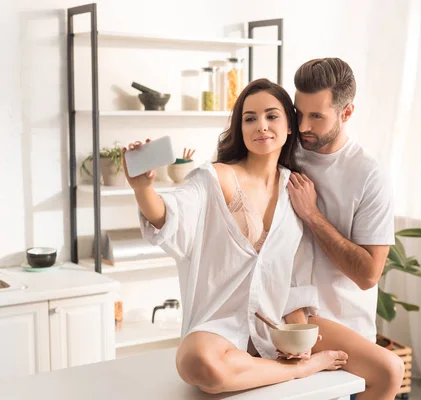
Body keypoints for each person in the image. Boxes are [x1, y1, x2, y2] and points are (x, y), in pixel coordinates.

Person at [123, 78, 348, 395]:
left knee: (213, 375)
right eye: (250, 118)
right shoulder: (213, 177)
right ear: (240, 128)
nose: (261, 126)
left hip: (269, 329)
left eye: (272, 116)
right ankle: (300, 372)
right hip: (219, 327)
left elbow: (295, 275)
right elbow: (169, 215)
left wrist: (296, 335)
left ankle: (284, 365)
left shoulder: (296, 189)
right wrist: (143, 189)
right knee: (196, 363)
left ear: (289, 127)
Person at [287, 58, 405, 399]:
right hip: (289, 319)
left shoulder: (369, 175)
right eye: (299, 113)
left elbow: (369, 274)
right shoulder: (286, 152)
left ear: (347, 112)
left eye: (316, 116)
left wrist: (312, 215)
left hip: (346, 326)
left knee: (388, 372)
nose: (303, 125)